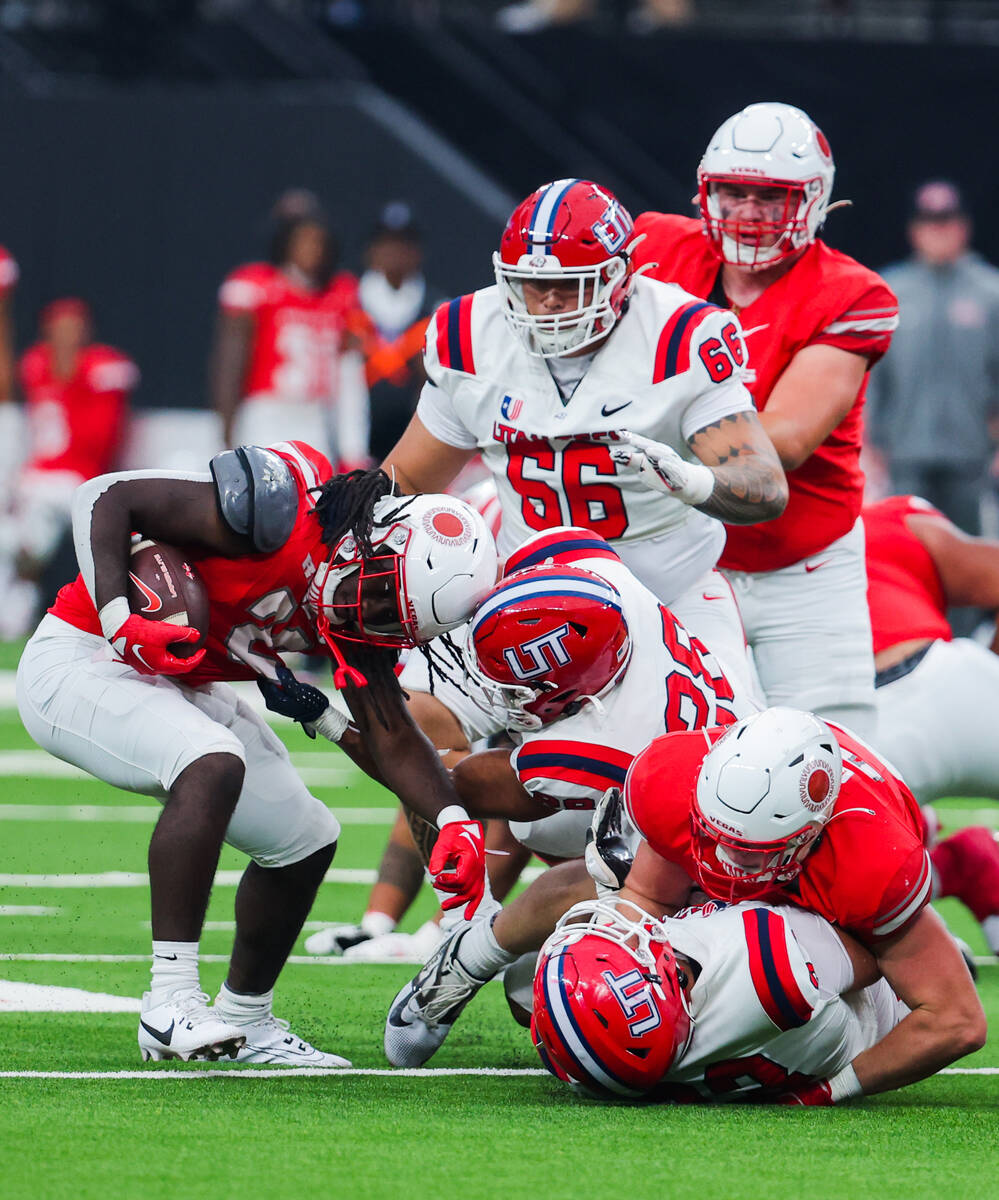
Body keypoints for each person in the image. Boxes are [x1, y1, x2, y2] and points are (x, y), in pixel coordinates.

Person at [16, 443, 497, 1065]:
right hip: (83, 656)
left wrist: (453, 821)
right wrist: (117, 616)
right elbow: (106, 496)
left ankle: (247, 1019)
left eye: (392, 620)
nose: (372, 619)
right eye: (381, 598)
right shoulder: (281, 514)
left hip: (178, 681)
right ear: (379, 542)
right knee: (212, 758)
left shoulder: (363, 609)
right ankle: (170, 1003)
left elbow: (392, 733)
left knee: (307, 837)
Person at [392, 706, 988, 1099]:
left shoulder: (869, 859)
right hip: (756, 865)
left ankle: (935, 953)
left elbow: (958, 1021)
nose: (730, 867)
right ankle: (467, 958)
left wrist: (835, 1090)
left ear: (810, 833)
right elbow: (644, 896)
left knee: (842, 981)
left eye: (752, 855)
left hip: (830, 916)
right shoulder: (673, 780)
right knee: (570, 936)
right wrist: (606, 971)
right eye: (716, 839)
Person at [383, 177, 788, 703]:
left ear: (618, 277)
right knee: (410, 719)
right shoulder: (469, 335)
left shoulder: (679, 336)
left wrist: (691, 481)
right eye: (534, 284)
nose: (550, 302)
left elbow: (766, 485)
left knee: (715, 762)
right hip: (522, 597)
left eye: (570, 285)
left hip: (668, 596)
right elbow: (406, 480)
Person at [382, 523, 756, 1067]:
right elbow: (546, 552)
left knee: (552, 987)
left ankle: (466, 955)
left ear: (576, 692)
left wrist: (352, 721)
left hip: (719, 855)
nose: (503, 698)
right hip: (720, 729)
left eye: (517, 689)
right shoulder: (602, 581)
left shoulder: (593, 746)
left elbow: (453, 783)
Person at [631, 103, 899, 739]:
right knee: (666, 751)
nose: (748, 213)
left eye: (769, 198)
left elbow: (784, 441)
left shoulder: (853, 294)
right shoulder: (657, 248)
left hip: (800, 566)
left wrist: (625, 433)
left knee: (835, 755)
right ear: (705, 192)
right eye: (734, 192)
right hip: (684, 556)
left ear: (810, 201)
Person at [532, 894, 904, 1103]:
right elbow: (877, 960)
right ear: (665, 977)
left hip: (791, 1041)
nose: (621, 936)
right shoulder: (768, 963)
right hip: (884, 1001)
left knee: (519, 984)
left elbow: (585, 1043)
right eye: (623, 953)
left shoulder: (624, 1069)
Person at [866, 492, 999, 954]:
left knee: (812, 874)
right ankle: (967, 866)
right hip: (945, 676)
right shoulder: (894, 517)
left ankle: (922, 950)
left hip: (855, 730)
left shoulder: (732, 548)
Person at [865, 182, 999, 540]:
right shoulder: (890, 290)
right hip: (905, 452)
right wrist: (867, 441)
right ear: (915, 229)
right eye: (929, 221)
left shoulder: (990, 292)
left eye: (946, 220)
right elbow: (872, 373)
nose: (938, 230)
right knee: (909, 550)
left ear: (963, 226)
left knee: (972, 555)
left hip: (972, 456)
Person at [0, 298, 138, 639]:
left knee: (113, 551)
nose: (65, 336)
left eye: (72, 328)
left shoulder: (104, 366)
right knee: (19, 545)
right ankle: (12, 618)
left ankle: (122, 620)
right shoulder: (35, 363)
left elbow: (103, 435)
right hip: (41, 479)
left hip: (83, 479)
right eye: (59, 329)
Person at [210, 189, 369, 469]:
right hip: (266, 412)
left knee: (314, 499)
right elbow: (230, 365)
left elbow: (350, 372)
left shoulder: (342, 291)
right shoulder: (254, 286)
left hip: (315, 415)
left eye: (317, 239)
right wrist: (226, 433)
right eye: (302, 238)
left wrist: (353, 447)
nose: (312, 248)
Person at [356, 203, 438, 463]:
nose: (395, 253)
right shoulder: (348, 303)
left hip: (409, 440)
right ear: (371, 251)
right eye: (387, 244)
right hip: (355, 439)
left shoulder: (435, 308)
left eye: (403, 245)